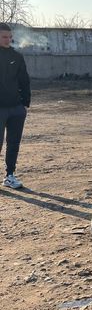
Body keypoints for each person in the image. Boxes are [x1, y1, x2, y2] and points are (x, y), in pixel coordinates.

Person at [0, 22, 31, 189]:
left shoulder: (17, 56)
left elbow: (24, 80)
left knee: (13, 144)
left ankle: (9, 176)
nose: (8, 40)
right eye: (4, 37)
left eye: (10, 37)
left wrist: (25, 104)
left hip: (16, 109)